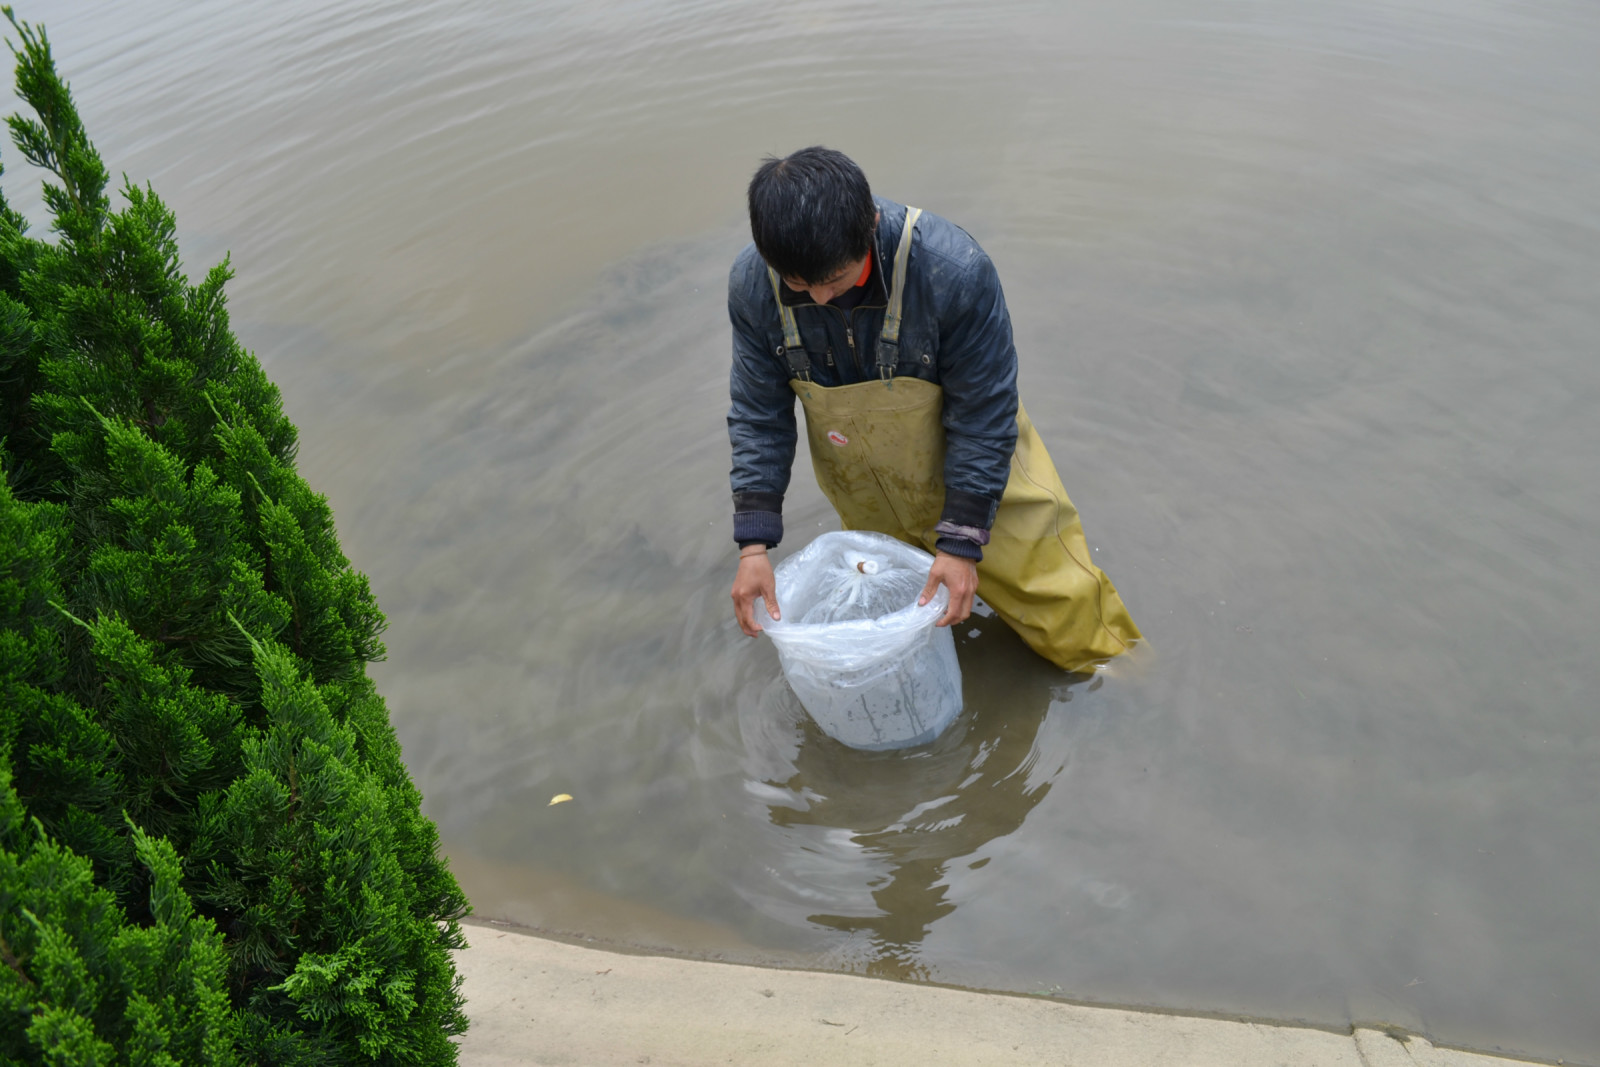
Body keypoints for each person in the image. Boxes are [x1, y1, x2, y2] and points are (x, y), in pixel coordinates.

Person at [726, 146, 1141, 672]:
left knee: (1064, 609)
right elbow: (758, 412)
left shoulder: (955, 272)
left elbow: (984, 415)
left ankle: (1134, 690)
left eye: (836, 280)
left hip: (978, 469)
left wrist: (963, 542)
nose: (822, 300)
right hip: (868, 485)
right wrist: (753, 545)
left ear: (871, 225)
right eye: (800, 285)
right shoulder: (752, 287)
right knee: (906, 616)